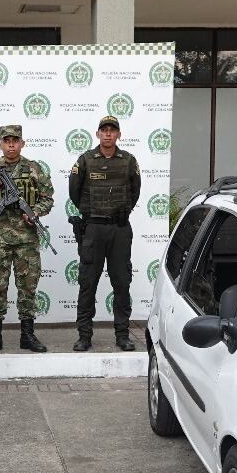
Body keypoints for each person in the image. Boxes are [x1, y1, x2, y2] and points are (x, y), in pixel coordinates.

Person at [0, 124, 53, 354]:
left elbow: (48, 198)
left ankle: (27, 335)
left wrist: (35, 212)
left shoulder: (34, 169)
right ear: (0, 144)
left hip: (26, 239)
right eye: (7, 141)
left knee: (27, 288)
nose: (11, 145)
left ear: (22, 143)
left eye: (15, 140)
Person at [68, 115, 141, 352]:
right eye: (104, 130)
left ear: (119, 134)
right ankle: (84, 336)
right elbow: (74, 192)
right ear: (97, 134)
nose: (108, 134)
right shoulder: (86, 160)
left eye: (112, 130)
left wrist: (120, 212)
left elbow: (135, 191)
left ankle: (122, 335)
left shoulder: (129, 161)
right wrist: (93, 213)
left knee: (122, 282)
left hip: (119, 229)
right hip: (93, 229)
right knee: (88, 283)